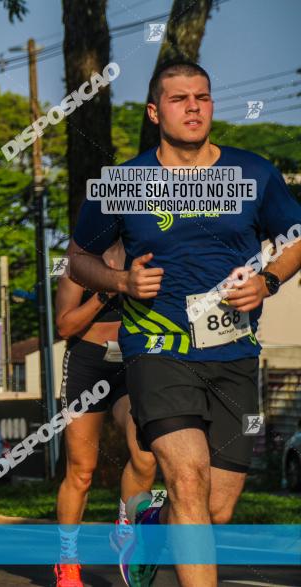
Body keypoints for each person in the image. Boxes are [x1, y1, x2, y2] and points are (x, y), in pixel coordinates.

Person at [68, 60, 301, 587]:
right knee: (188, 480)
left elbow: (294, 238)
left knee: (216, 508)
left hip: (234, 354)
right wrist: (121, 281)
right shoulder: (125, 181)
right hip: (157, 351)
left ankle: (151, 524)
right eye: (179, 98)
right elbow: (77, 257)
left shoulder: (253, 173)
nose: (194, 106)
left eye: (203, 97)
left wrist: (268, 282)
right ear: (155, 112)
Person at [53, 241, 157, 587]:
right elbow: (65, 327)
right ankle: (67, 561)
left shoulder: (150, 252)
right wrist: (107, 292)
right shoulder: (80, 259)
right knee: (81, 471)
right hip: (88, 362)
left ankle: (125, 526)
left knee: (146, 453)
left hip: (133, 361)